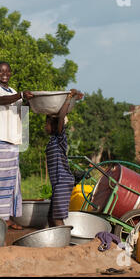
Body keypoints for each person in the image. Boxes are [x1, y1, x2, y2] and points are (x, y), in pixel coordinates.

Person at [0, 61, 34, 230]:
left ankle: (7, 218)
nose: (4, 73)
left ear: (11, 73)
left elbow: (19, 110)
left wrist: (30, 100)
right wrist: (21, 95)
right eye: (0, 71)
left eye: (7, 71)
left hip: (11, 141)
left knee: (10, 182)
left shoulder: (12, 91)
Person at [45, 89, 84, 227]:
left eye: (47, 123)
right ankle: (53, 241)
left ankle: (64, 245)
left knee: (57, 218)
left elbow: (61, 117)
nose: (45, 126)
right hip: (58, 184)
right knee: (50, 216)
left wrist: (69, 98)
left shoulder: (59, 138)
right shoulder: (52, 141)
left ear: (55, 125)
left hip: (62, 183)